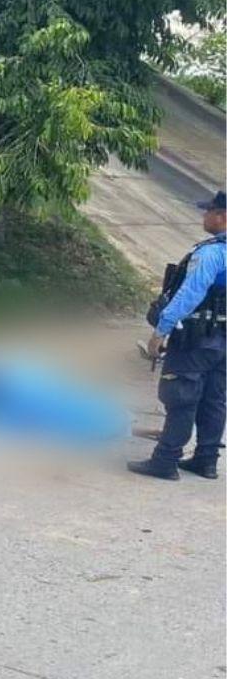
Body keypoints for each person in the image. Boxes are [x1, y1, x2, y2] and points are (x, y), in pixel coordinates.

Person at [129, 190, 226, 480]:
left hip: (195, 339)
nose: (204, 216)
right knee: (214, 398)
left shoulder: (210, 253)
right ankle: (206, 460)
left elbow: (189, 294)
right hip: (223, 340)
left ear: (222, 216)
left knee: (181, 395)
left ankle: (166, 460)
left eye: (208, 211)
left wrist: (161, 331)